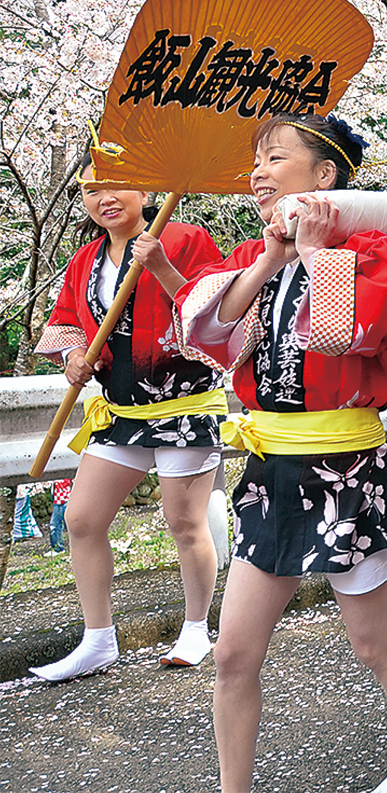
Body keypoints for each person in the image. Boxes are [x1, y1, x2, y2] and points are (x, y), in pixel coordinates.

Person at [176, 113, 387, 793]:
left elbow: (351, 333)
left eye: (274, 158)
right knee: (233, 652)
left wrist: (319, 255)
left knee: (372, 644)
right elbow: (206, 329)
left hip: (349, 474)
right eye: (254, 161)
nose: (257, 173)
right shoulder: (255, 256)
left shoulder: (369, 249)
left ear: (325, 175)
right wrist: (270, 258)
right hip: (271, 473)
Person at [31, 164, 226, 681]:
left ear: (145, 189)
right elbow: (68, 325)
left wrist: (160, 265)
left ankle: (194, 627)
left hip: (185, 404)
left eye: (115, 185)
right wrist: (74, 358)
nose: (105, 198)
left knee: (185, 522)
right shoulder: (86, 260)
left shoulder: (184, 238)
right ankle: (98, 639)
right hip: (122, 411)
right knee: (82, 519)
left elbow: (218, 315)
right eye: (92, 190)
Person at [49, 478, 73, 553]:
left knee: (70, 525)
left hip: (66, 499)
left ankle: (77, 546)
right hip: (58, 500)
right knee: (54, 526)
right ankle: (57, 548)